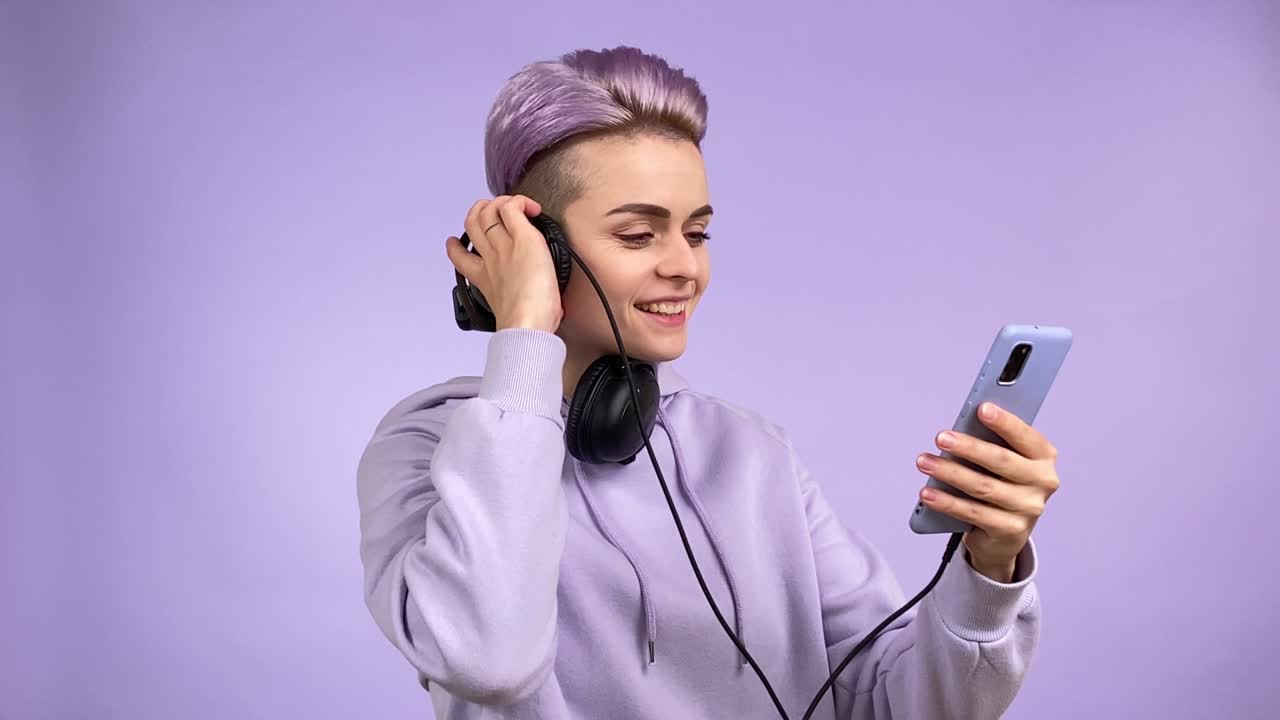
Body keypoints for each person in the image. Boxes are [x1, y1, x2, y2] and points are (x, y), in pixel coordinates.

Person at [356, 45, 1061, 720]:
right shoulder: (426, 444)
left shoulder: (752, 454)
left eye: (696, 234)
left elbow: (902, 703)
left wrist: (988, 565)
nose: (684, 268)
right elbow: (487, 660)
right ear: (541, 251)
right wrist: (525, 336)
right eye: (638, 235)